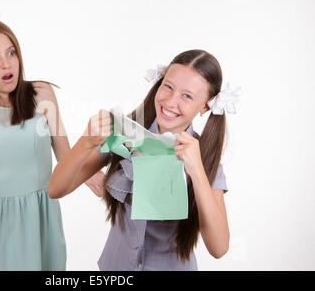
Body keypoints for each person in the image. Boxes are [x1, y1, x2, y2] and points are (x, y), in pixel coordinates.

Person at [48, 49, 232, 270]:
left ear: (205, 105)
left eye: (187, 96)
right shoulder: (126, 132)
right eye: (168, 86)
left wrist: (197, 171)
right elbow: (55, 189)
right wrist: (85, 142)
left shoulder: (205, 158)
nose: (171, 101)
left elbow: (219, 248)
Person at [0, 19, 100, 270]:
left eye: (11, 53)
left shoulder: (42, 93)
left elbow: (67, 156)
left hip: (41, 219)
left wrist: (99, 174)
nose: (6, 63)